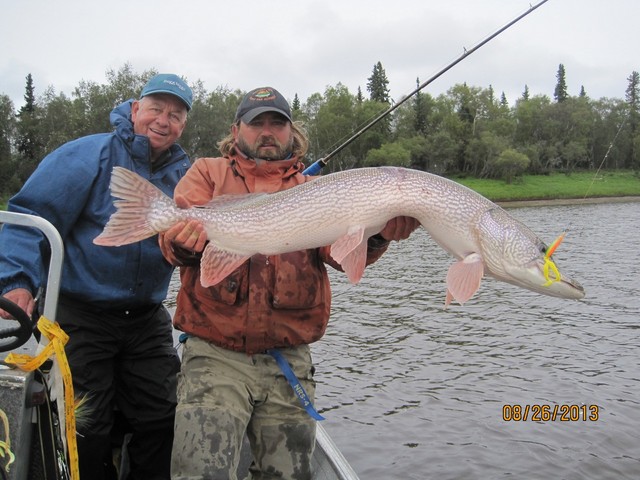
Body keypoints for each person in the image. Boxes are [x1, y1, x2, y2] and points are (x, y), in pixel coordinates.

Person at [160, 86, 419, 479]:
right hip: (215, 355)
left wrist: (380, 233)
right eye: (256, 123)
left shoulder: (316, 190)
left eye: (276, 124)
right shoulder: (208, 173)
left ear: (291, 131)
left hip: (289, 362)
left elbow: (340, 254)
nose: (267, 132)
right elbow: (173, 242)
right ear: (236, 129)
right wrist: (184, 245)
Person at [0, 73, 194, 479]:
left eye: (176, 115)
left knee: (164, 415)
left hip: (145, 318)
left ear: (184, 125)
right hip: (82, 314)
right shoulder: (87, 155)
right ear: (135, 109)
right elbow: (27, 221)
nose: (164, 120)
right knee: (86, 426)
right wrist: (15, 282)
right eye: (156, 108)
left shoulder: (187, 176)